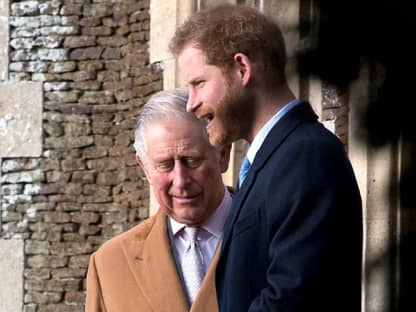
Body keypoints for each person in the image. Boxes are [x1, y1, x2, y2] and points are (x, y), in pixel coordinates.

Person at [170, 4, 363, 311]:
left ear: (242, 69)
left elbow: (291, 300)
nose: (191, 104)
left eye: (198, 84)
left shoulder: (306, 156)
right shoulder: (270, 161)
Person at [85, 89, 232, 312]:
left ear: (223, 155)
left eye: (191, 161)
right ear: (145, 168)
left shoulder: (276, 238)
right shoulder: (109, 265)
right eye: (165, 165)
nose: (180, 181)